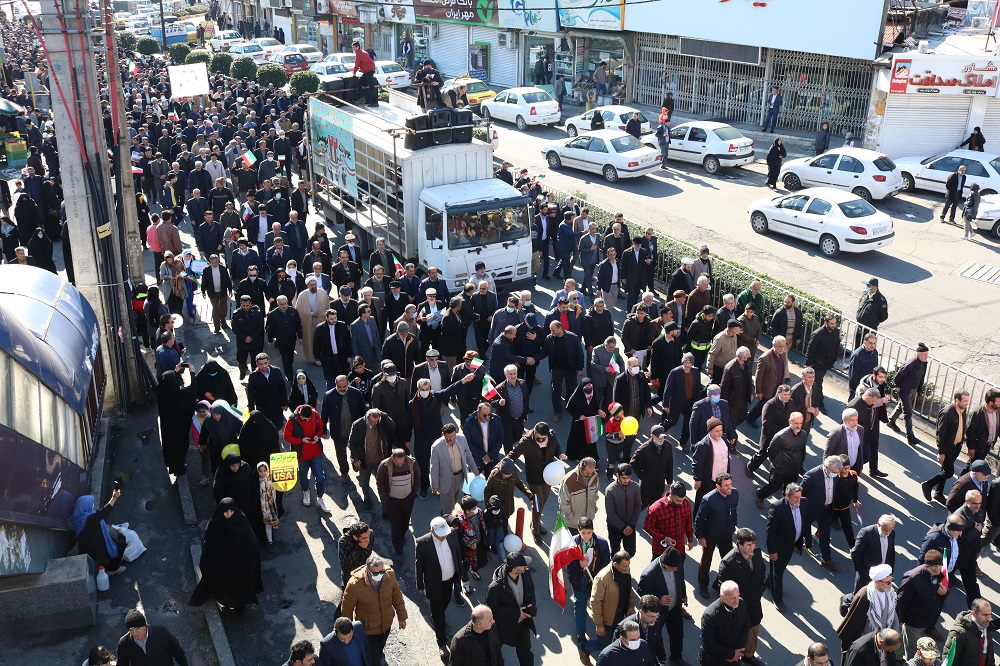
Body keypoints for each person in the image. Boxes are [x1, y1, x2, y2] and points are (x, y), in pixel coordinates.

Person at [189, 497, 263, 611]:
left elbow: (251, 543)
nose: (229, 514)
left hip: (240, 565)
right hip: (222, 564)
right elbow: (209, 545)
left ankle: (240, 606)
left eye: (231, 511)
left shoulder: (241, 520)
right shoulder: (215, 523)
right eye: (226, 512)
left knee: (240, 588)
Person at [340, 553, 406, 666]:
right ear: (367, 570)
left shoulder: (389, 575)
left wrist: (402, 617)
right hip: (367, 629)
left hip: (386, 624)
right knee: (374, 659)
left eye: (382, 571)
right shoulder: (355, 584)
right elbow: (347, 608)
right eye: (376, 573)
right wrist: (348, 631)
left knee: (379, 650)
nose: (380, 575)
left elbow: (397, 596)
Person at [415, 516, 465, 660]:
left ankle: (438, 619)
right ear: (432, 531)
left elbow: (457, 554)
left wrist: (461, 574)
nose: (444, 536)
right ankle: (442, 643)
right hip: (434, 585)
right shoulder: (423, 543)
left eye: (445, 533)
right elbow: (419, 566)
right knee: (437, 613)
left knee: (443, 606)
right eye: (440, 534)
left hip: (449, 582)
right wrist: (420, 584)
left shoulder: (452, 534)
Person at [715, 528, 767, 666]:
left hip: (754, 603)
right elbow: (724, 587)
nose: (752, 547)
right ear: (739, 544)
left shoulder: (757, 553)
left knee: (753, 630)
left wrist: (761, 587)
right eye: (748, 545)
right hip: (736, 607)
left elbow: (762, 570)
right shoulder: (728, 562)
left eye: (753, 544)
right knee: (734, 636)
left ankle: (748, 656)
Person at [837, 564, 900, 663]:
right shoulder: (864, 596)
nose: (891, 584)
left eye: (892, 580)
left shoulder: (891, 593)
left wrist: (894, 636)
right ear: (877, 582)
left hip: (885, 640)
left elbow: (894, 615)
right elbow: (855, 624)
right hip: (869, 644)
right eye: (888, 582)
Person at [485, 551, 537, 665]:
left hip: (522, 624)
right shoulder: (495, 588)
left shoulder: (525, 574)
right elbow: (492, 610)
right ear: (514, 569)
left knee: (525, 653)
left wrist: (531, 605)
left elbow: (531, 591)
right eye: (523, 565)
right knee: (495, 654)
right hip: (503, 627)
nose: (526, 567)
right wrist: (516, 612)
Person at [765, 482, 810, 613]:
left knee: (780, 568)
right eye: (795, 497)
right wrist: (772, 551)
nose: (798, 500)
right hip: (779, 547)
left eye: (799, 496)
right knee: (778, 573)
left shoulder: (804, 502)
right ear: (787, 495)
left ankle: (768, 583)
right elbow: (770, 533)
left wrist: (807, 540)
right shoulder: (777, 507)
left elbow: (805, 522)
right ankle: (777, 599)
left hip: (791, 545)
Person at [637, 546, 687, 662]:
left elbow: (680, 580)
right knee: (655, 638)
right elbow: (642, 593)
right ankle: (656, 661)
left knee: (677, 635)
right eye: (672, 568)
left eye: (676, 567)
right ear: (664, 564)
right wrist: (659, 599)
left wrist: (683, 594)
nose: (675, 569)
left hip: (674, 608)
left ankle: (676, 658)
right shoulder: (649, 574)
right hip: (658, 612)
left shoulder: (676, 563)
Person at [694, 472, 739, 598]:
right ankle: (703, 585)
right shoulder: (708, 499)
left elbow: (734, 510)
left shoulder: (734, 494)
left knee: (729, 562)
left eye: (730, 484)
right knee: (706, 562)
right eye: (726, 485)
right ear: (718, 486)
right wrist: (700, 536)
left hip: (726, 534)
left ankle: (720, 583)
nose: (729, 487)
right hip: (710, 536)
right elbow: (699, 519)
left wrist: (733, 525)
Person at [583, 550, 635, 659]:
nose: (627, 568)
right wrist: (599, 625)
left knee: (616, 642)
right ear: (615, 564)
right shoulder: (602, 578)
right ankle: (584, 648)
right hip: (607, 619)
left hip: (620, 614)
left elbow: (629, 589)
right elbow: (595, 602)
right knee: (604, 645)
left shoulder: (626, 571)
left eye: (628, 566)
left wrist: (630, 605)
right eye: (625, 566)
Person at [922, 390, 971, 504]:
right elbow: (941, 433)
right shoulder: (947, 412)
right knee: (949, 472)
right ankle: (928, 485)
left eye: (968, 400)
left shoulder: (963, 410)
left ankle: (938, 493)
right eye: (964, 401)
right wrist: (941, 451)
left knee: (944, 470)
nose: (967, 403)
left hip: (956, 447)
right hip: (947, 448)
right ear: (957, 400)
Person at [897, 550, 948, 658]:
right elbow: (902, 600)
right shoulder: (912, 578)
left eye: (940, 566)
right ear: (927, 565)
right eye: (935, 566)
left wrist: (944, 594)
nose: (938, 569)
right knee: (914, 652)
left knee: (909, 642)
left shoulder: (936, 575)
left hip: (927, 620)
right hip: (914, 622)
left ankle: (897, 656)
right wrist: (900, 619)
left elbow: (936, 596)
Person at [285, 404, 330, 513]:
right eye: (306, 419)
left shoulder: (314, 414)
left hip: (315, 452)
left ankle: (320, 498)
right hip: (302, 455)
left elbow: (321, 426)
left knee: (320, 477)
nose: (308, 420)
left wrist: (317, 436)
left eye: (309, 419)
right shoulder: (291, 420)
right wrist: (301, 440)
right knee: (303, 476)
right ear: (300, 415)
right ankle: (306, 491)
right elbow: (287, 436)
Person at [70, 491, 127, 575]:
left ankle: (111, 559)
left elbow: (98, 513)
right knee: (121, 543)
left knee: (115, 538)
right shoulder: (90, 519)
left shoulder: (78, 517)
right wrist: (114, 498)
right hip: (96, 549)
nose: (92, 505)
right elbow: (104, 511)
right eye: (91, 503)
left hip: (86, 548)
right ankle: (112, 568)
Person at [888, 343, 929, 447]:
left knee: (902, 407)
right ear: (918, 354)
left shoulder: (923, 363)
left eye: (927, 354)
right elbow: (899, 375)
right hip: (906, 391)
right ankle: (910, 437)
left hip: (912, 390)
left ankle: (891, 420)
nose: (926, 356)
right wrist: (897, 385)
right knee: (908, 413)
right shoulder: (911, 363)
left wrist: (918, 390)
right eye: (924, 354)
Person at [700, 581, 749, 666]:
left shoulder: (741, 604)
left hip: (734, 658)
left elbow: (745, 627)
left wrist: (737, 652)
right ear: (722, 597)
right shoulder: (710, 615)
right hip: (714, 661)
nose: (737, 600)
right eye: (733, 598)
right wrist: (731, 654)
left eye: (738, 596)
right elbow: (709, 644)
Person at [116, 609, 188, 665]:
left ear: (144, 625)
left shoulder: (161, 632)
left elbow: (177, 651)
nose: (135, 633)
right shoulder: (124, 643)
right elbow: (122, 663)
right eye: (131, 630)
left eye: (137, 628)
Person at [643, 482, 694, 558]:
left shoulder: (686, 503)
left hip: (679, 550)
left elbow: (688, 522)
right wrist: (664, 538)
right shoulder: (656, 508)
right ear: (670, 496)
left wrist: (690, 540)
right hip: (662, 552)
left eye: (682, 500)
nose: (681, 503)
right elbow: (648, 527)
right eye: (678, 500)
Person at [942, 599, 996, 666]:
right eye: (985, 615)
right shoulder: (958, 633)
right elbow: (949, 661)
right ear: (974, 613)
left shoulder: (986, 627)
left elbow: (990, 655)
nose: (989, 618)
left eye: (990, 614)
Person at [851, 515, 898, 592]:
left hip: (883, 576)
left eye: (891, 530)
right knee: (861, 597)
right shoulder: (866, 533)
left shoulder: (892, 533)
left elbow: (891, 553)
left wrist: (890, 573)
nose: (888, 533)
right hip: (867, 575)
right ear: (879, 525)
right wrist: (861, 572)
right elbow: (856, 553)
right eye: (886, 530)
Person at [559, 457, 601, 530]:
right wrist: (571, 517)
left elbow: (595, 495)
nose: (590, 476)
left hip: (588, 521)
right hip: (573, 524)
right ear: (580, 469)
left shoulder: (594, 476)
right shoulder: (568, 480)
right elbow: (563, 502)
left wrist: (593, 510)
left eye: (592, 472)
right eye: (587, 473)